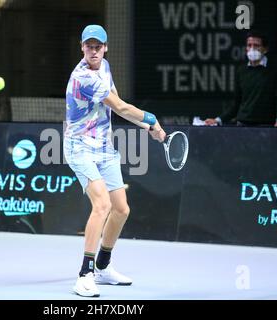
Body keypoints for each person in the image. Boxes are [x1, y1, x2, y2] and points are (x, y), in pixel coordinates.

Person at [63, 25, 166, 297]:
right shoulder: (83, 77)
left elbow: (116, 102)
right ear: (82, 48)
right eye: (89, 46)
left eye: (98, 46)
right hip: (79, 147)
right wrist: (152, 120)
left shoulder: (105, 67)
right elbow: (121, 107)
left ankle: (103, 266)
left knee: (121, 209)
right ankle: (84, 274)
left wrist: (147, 128)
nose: (94, 51)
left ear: (106, 47)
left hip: (104, 147)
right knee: (102, 205)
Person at [205, 30, 277, 127]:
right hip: (243, 124)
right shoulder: (241, 70)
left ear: (265, 49)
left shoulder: (276, 68)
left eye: (256, 45)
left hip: (266, 124)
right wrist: (218, 120)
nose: (252, 49)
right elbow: (236, 103)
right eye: (249, 45)